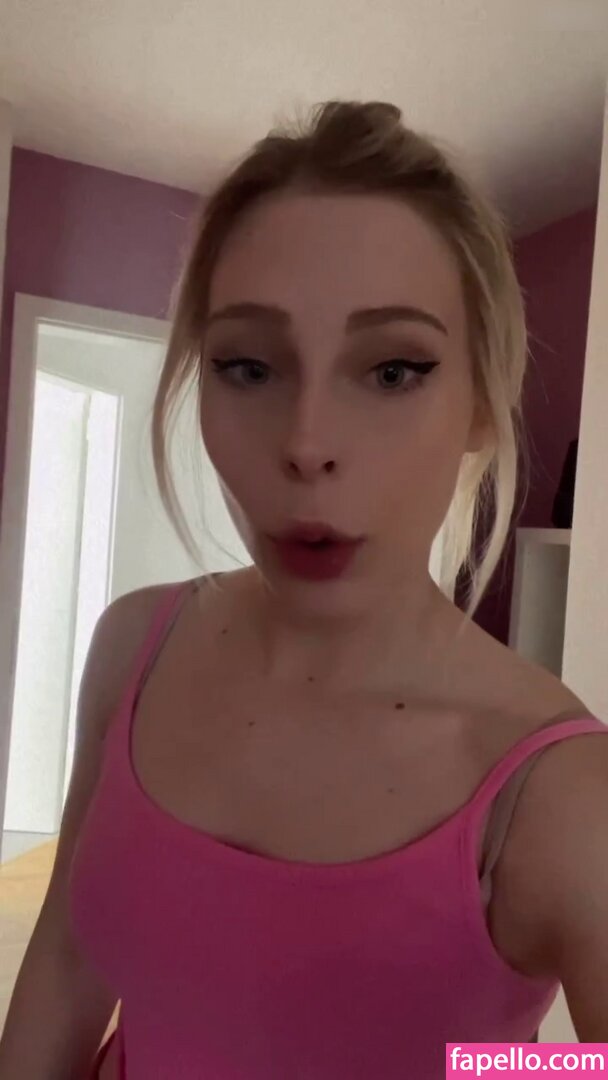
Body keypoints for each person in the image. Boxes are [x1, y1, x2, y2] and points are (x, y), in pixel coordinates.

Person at [1, 100, 607, 1080]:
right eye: (248, 367)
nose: (306, 443)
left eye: (393, 370)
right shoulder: (134, 644)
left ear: (480, 407)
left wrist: (500, 1067)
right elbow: (65, 975)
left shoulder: (558, 795)